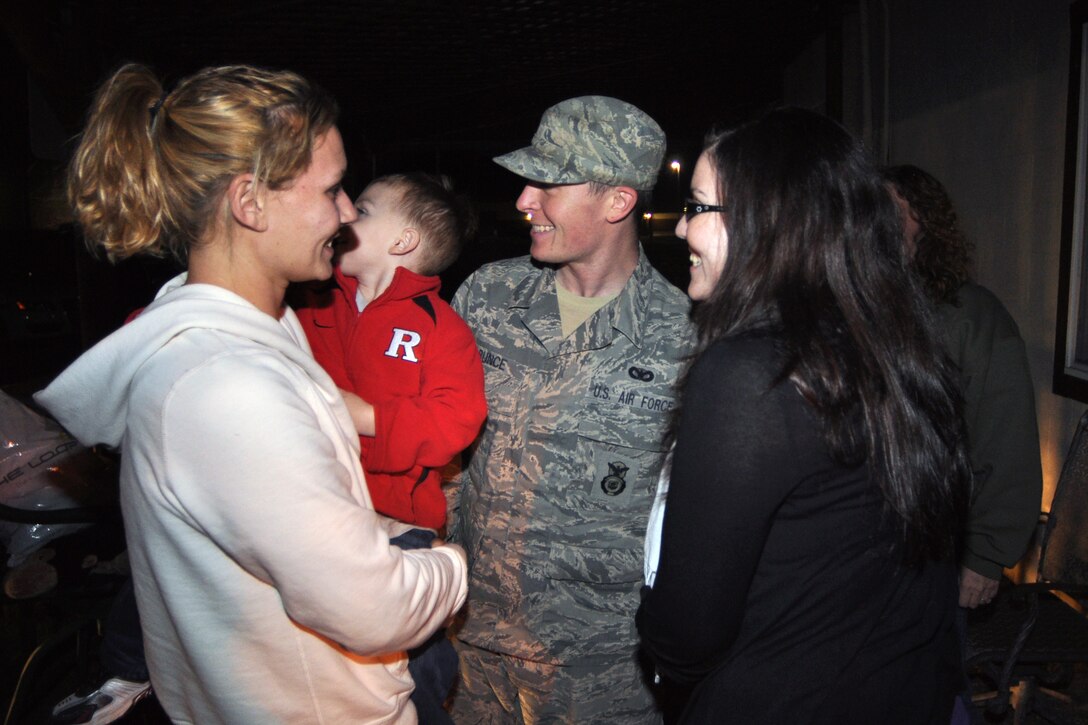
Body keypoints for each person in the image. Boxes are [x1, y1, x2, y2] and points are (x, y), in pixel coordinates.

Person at [35, 63, 467, 724]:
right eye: (331, 189)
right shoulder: (227, 386)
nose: (347, 212)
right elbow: (370, 607)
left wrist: (389, 529)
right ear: (250, 202)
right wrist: (451, 562)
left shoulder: (268, 334)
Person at [636, 107, 972, 723]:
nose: (682, 229)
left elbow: (688, 631)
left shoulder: (753, 375)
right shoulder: (898, 349)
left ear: (769, 222)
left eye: (700, 207)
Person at [447, 96, 694, 722]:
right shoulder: (487, 296)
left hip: (602, 667)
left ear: (617, 201)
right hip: (470, 645)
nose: (526, 200)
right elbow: (445, 452)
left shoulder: (683, 338)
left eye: (549, 184)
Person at [295, 172, 487, 724]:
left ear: (403, 242)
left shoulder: (439, 327)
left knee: (417, 665)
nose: (344, 214)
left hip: (400, 519)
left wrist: (366, 420)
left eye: (363, 208)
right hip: (320, 507)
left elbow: (457, 420)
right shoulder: (311, 299)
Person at [883, 164, 1042, 609]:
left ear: (927, 226)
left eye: (896, 211)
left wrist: (985, 558)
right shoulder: (853, 310)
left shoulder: (972, 318)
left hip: (936, 557)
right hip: (863, 559)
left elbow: (1007, 446)